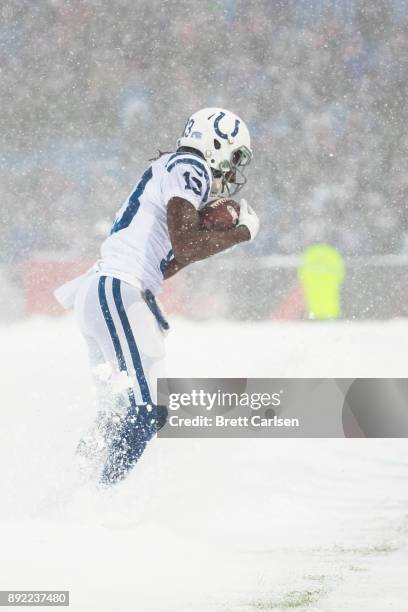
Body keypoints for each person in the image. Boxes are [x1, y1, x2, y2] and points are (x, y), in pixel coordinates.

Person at [55, 107, 260, 485]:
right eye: (233, 157)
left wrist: (210, 229)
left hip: (109, 291)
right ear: (216, 143)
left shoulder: (172, 169)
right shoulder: (190, 166)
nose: (231, 171)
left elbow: (173, 259)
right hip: (119, 289)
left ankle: (71, 490)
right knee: (146, 411)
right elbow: (187, 244)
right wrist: (241, 234)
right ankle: (99, 497)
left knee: (118, 412)